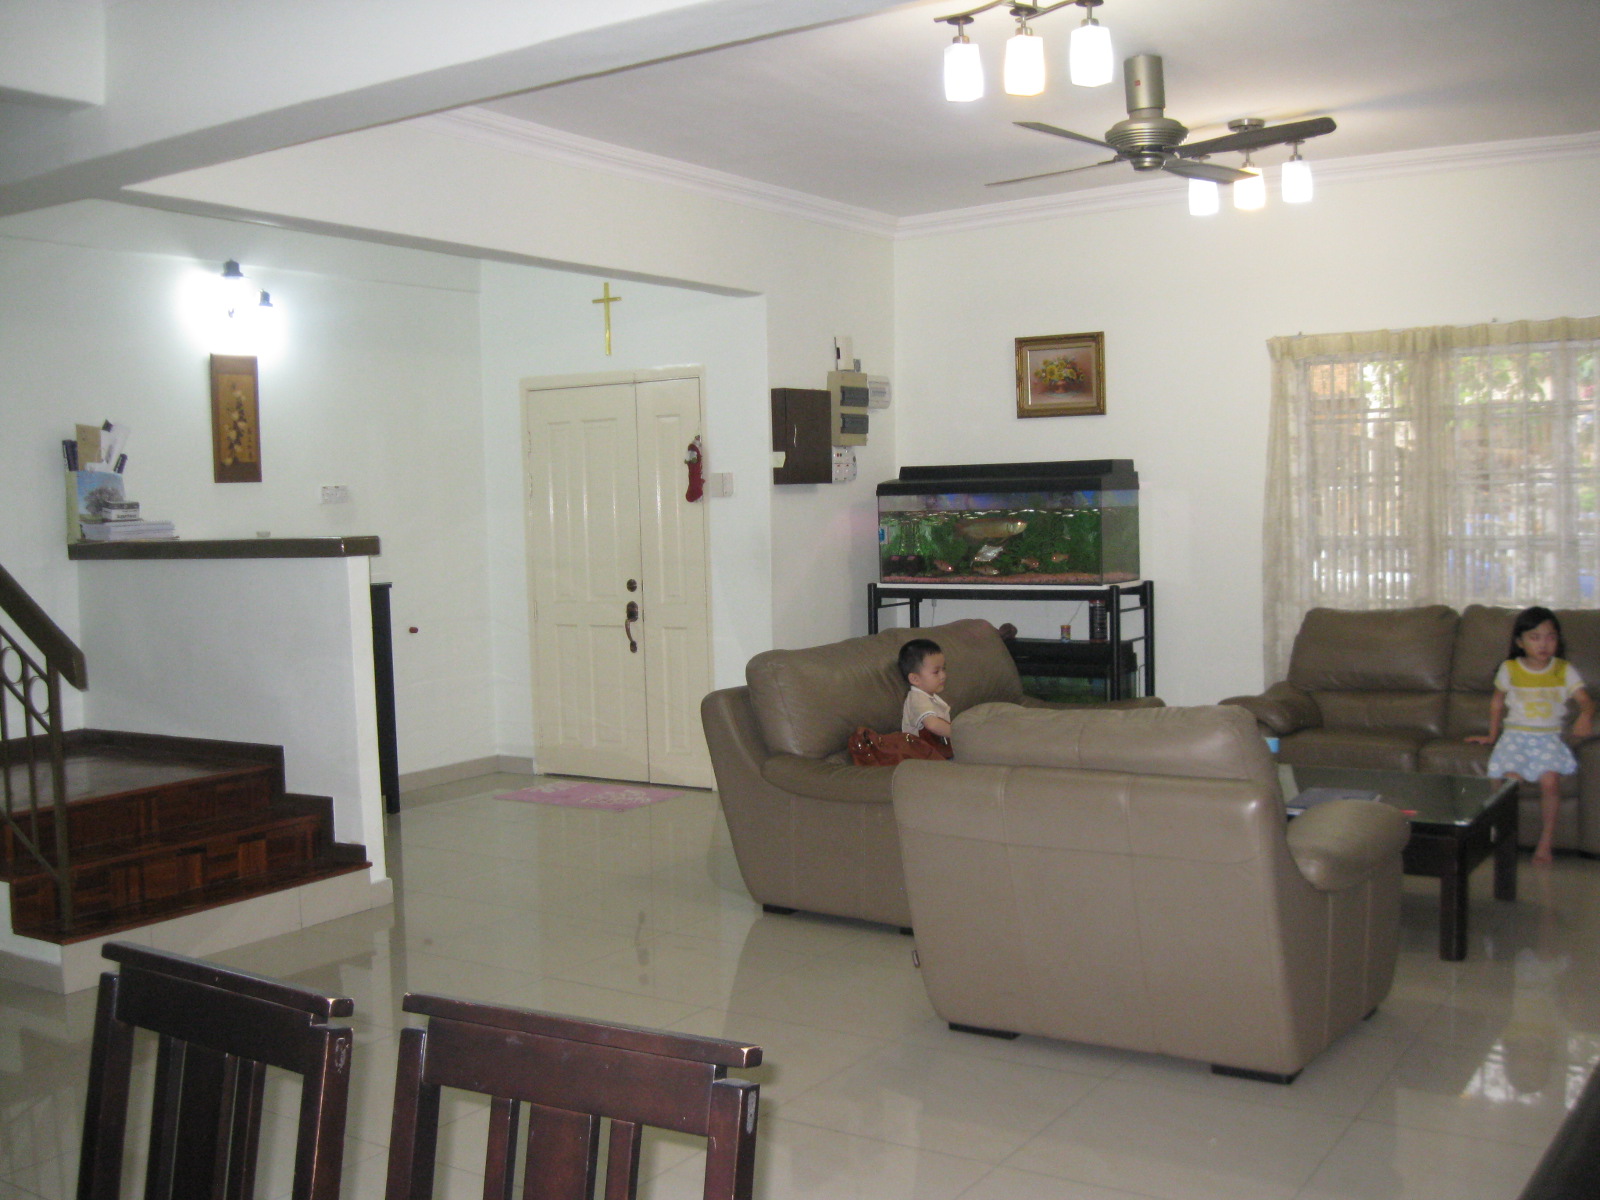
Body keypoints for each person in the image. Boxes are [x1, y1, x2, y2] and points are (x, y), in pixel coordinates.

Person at [1467, 606, 1594, 864]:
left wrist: (1585, 716)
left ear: (1558, 640)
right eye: (1535, 637)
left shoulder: (1563, 669)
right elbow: (1497, 703)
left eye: (1550, 637)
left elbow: (1586, 702)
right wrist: (1492, 735)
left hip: (1548, 739)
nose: (1543, 644)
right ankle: (1500, 838)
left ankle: (1545, 842)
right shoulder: (1510, 668)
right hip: (1515, 737)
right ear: (1520, 642)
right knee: (1508, 783)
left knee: (1550, 781)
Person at [899, 637, 952, 740]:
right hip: (921, 749)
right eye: (936, 672)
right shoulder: (917, 698)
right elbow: (932, 725)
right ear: (915, 679)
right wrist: (960, 733)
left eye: (943, 669)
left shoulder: (931, 697)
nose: (943, 676)